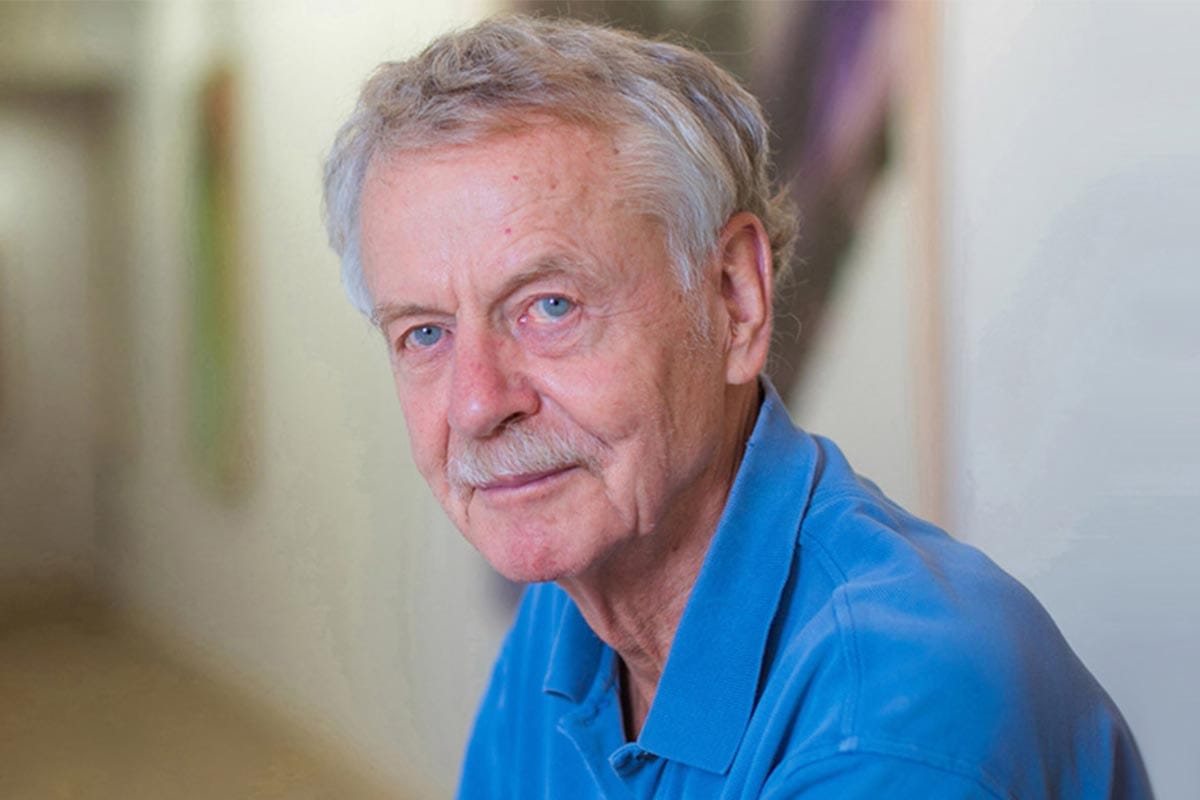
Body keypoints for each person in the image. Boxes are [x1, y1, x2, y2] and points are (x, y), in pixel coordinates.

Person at [322, 15, 1152, 799]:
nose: (475, 405)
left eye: (550, 306)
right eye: (424, 333)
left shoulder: (894, 717)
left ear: (735, 298)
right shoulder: (565, 616)